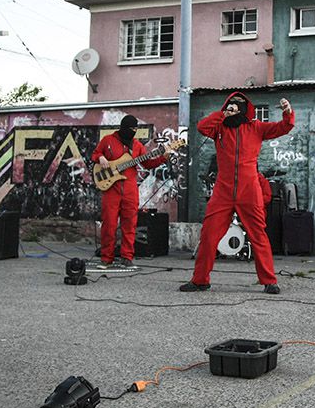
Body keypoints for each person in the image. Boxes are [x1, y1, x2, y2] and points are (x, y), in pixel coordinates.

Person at [181, 92, 294, 294]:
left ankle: (269, 281)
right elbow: (202, 126)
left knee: (258, 234)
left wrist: (288, 113)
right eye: (231, 104)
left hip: (249, 188)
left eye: (238, 106)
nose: (235, 107)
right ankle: (200, 280)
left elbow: (283, 128)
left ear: (246, 109)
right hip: (223, 189)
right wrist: (223, 114)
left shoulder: (256, 127)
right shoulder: (219, 128)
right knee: (208, 234)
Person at [91, 115, 169, 269]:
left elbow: (147, 164)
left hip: (130, 189)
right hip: (111, 189)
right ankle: (106, 258)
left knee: (130, 224)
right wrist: (100, 158)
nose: (133, 132)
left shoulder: (138, 146)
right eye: (131, 129)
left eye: (135, 129)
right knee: (109, 224)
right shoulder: (107, 140)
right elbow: (95, 154)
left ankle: (127, 257)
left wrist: (163, 158)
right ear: (123, 128)